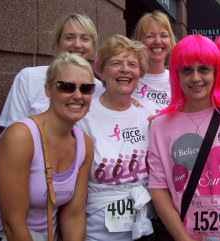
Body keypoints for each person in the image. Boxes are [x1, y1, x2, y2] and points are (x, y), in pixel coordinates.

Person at [148, 35, 220, 241]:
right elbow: (159, 188)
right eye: (187, 70)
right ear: (176, 74)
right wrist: (182, 238)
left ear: (215, 72)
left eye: (203, 69)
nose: (195, 78)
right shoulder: (160, 126)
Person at [0, 52, 94, 240]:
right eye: (66, 87)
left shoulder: (84, 144)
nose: (77, 95)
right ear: (48, 90)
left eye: (86, 88)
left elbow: (74, 216)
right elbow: (13, 224)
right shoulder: (21, 137)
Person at [77, 34, 153, 241]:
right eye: (116, 63)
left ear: (140, 73)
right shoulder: (84, 118)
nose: (125, 70)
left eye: (132, 64)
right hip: (95, 233)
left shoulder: (147, 116)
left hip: (143, 230)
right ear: (100, 70)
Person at [0, 13, 104, 128]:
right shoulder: (28, 78)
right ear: (58, 44)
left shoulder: (99, 89)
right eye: (69, 37)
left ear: (93, 48)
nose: (77, 44)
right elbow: (12, 132)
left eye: (84, 39)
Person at [131, 10, 176, 114]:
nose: (158, 41)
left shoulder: (178, 80)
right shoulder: (129, 78)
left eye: (164, 36)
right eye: (150, 36)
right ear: (139, 41)